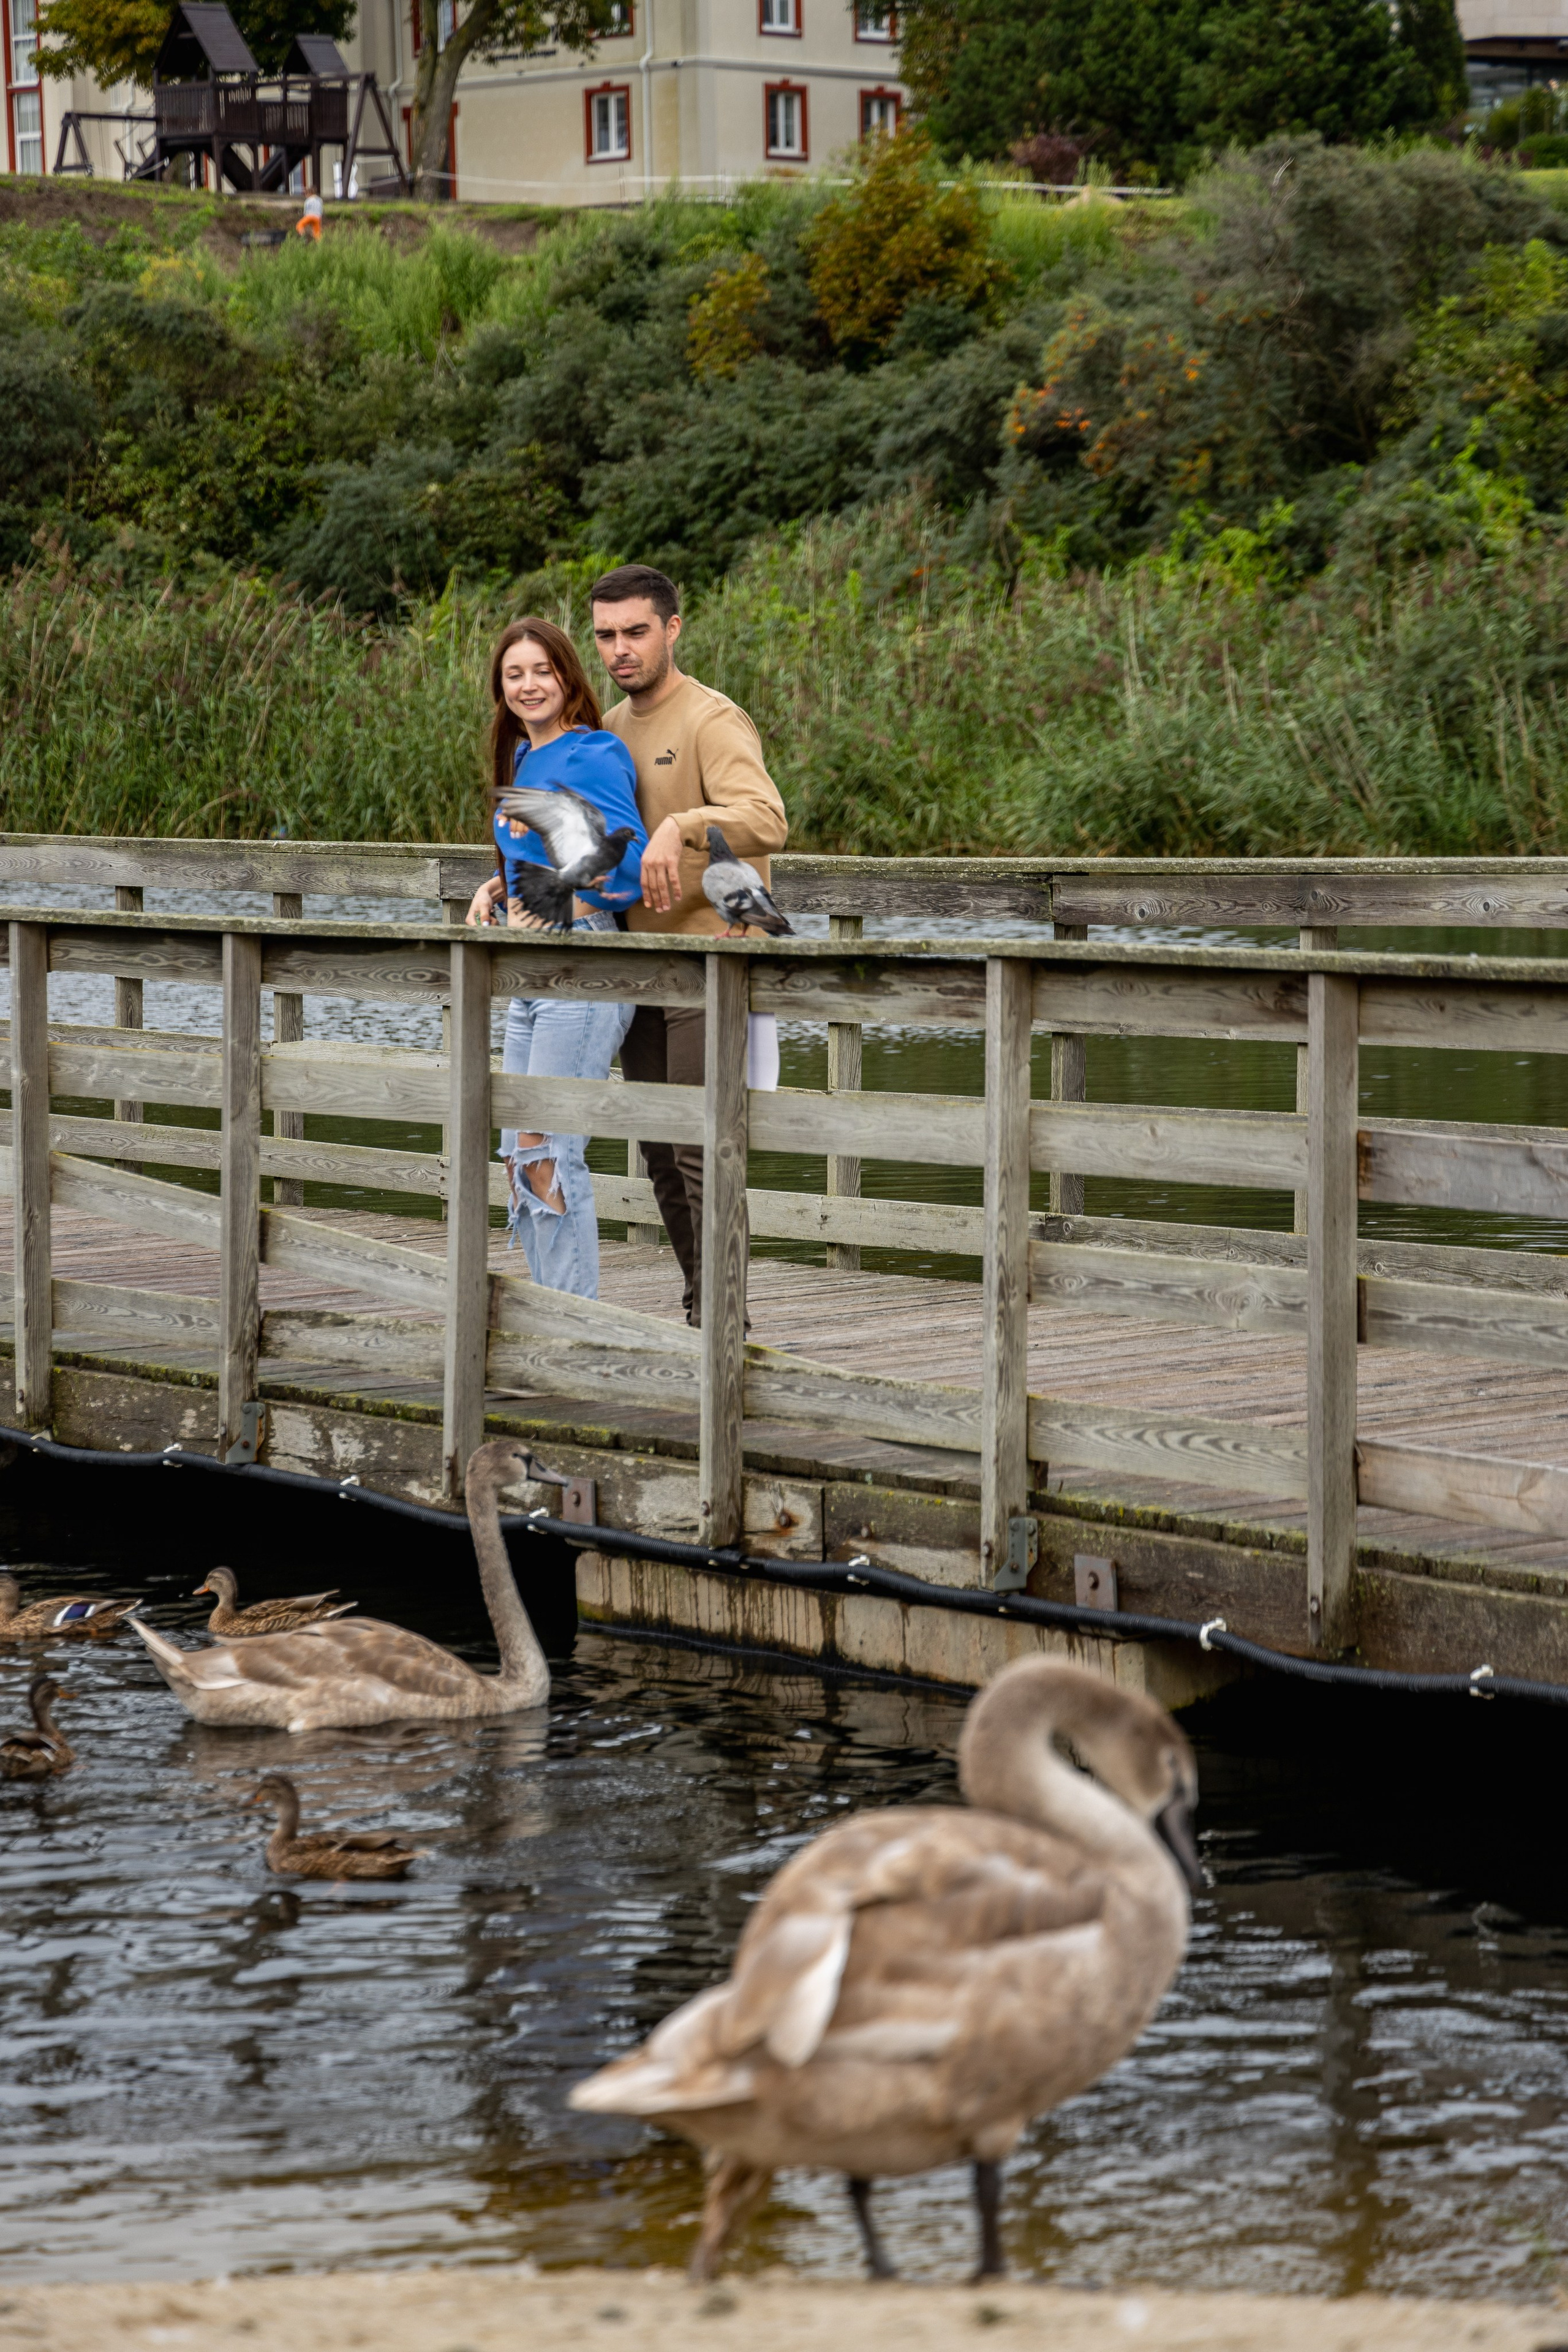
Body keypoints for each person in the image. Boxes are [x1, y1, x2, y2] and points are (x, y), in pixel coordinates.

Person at [597, 562, 788, 1327]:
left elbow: (766, 818)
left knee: (702, 1155)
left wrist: (683, 825)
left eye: (636, 632)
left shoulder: (712, 719)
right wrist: (503, 883)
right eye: (607, 635)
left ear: (672, 629)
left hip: (710, 962)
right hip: (634, 966)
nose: (621, 649)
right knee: (658, 1154)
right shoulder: (608, 728)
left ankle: (725, 1317)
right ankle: (703, 1307)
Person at [464, 617, 646, 1300]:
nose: (528, 685)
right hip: (528, 973)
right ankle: (550, 1320)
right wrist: (499, 887)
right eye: (514, 674)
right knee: (519, 1155)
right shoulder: (522, 763)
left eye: (542, 670)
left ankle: (578, 1337)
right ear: (500, 687)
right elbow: (537, 857)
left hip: (585, 965)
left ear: (568, 677)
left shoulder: (592, 752)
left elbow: (625, 864)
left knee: (550, 1151)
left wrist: (567, 894)